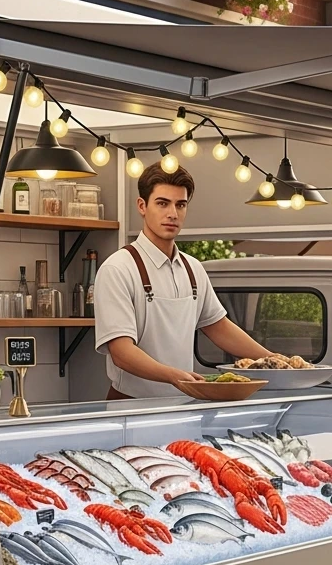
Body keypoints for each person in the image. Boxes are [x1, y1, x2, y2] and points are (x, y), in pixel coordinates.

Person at [93, 162, 273, 399]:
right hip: (131, 408)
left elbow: (218, 327)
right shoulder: (118, 269)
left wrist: (273, 360)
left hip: (183, 403)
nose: (172, 214)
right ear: (142, 206)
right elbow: (121, 352)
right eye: (162, 203)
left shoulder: (193, 269)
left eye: (180, 204)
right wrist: (174, 376)